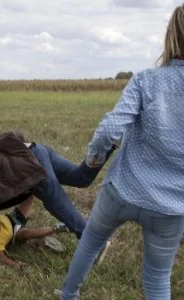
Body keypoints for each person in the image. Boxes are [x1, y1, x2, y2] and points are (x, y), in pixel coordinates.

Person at [60, 5, 184, 300]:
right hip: (172, 206)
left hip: (122, 190)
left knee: (90, 242)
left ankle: (68, 296)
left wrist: (94, 159)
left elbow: (109, 130)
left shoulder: (146, 80)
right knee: (157, 279)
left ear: (171, 36)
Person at [0, 130, 116, 241]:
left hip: (27, 164)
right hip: (34, 150)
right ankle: (107, 143)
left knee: (52, 196)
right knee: (81, 178)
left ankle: (91, 240)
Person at [0, 195, 69, 269]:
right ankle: (57, 228)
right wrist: (15, 265)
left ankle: (34, 187)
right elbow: (2, 258)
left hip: (14, 217)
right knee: (28, 233)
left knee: (29, 197)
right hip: (16, 233)